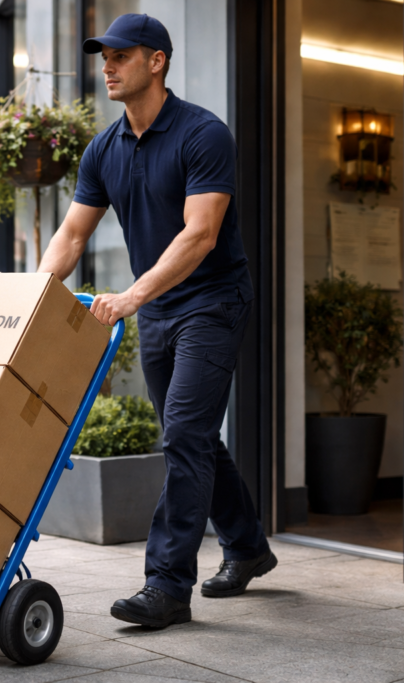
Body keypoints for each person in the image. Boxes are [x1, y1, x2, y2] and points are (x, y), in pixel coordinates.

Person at [38, 13, 277, 629]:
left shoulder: (202, 134)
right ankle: (248, 546)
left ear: (157, 60)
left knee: (183, 436)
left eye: (121, 54)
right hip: (160, 308)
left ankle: (167, 586)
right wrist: (33, 294)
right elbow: (71, 233)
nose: (107, 65)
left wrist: (130, 297)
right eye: (104, 56)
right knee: (191, 436)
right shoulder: (104, 149)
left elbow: (200, 236)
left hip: (213, 301)